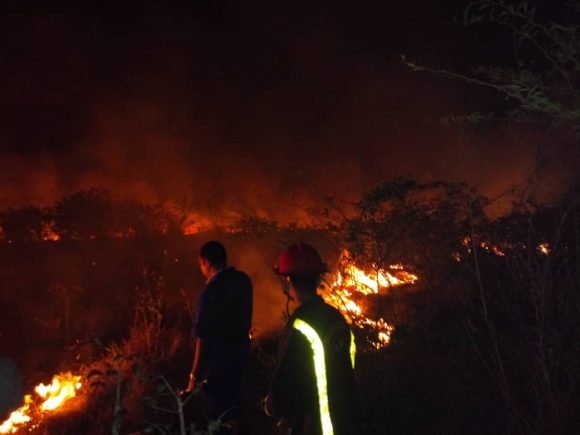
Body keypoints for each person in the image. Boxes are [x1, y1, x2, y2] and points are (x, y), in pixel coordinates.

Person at [265, 243, 359, 435]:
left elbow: (284, 381)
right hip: (348, 419)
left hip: (315, 426)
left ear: (288, 281)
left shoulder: (299, 326)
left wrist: (271, 406)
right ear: (317, 280)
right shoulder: (337, 318)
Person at [185, 241, 253, 428]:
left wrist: (194, 377)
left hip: (218, 368)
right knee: (237, 413)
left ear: (206, 263)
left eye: (201, 265)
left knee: (218, 419)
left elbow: (203, 338)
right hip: (242, 360)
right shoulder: (243, 281)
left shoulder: (209, 293)